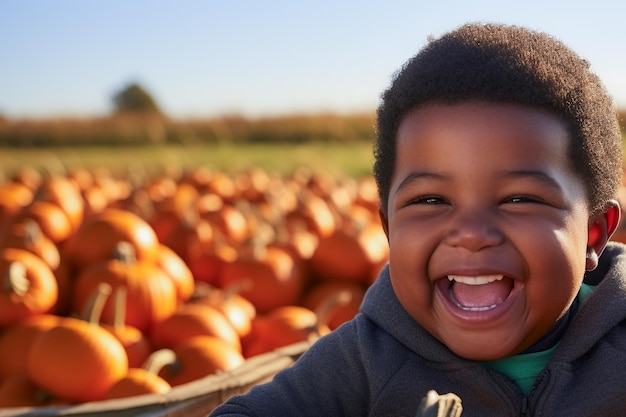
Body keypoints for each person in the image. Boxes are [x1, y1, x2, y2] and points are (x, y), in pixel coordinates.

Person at [209, 22, 626, 416]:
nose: (471, 234)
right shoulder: (365, 359)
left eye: (518, 198)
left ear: (593, 233)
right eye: (430, 199)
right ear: (389, 230)